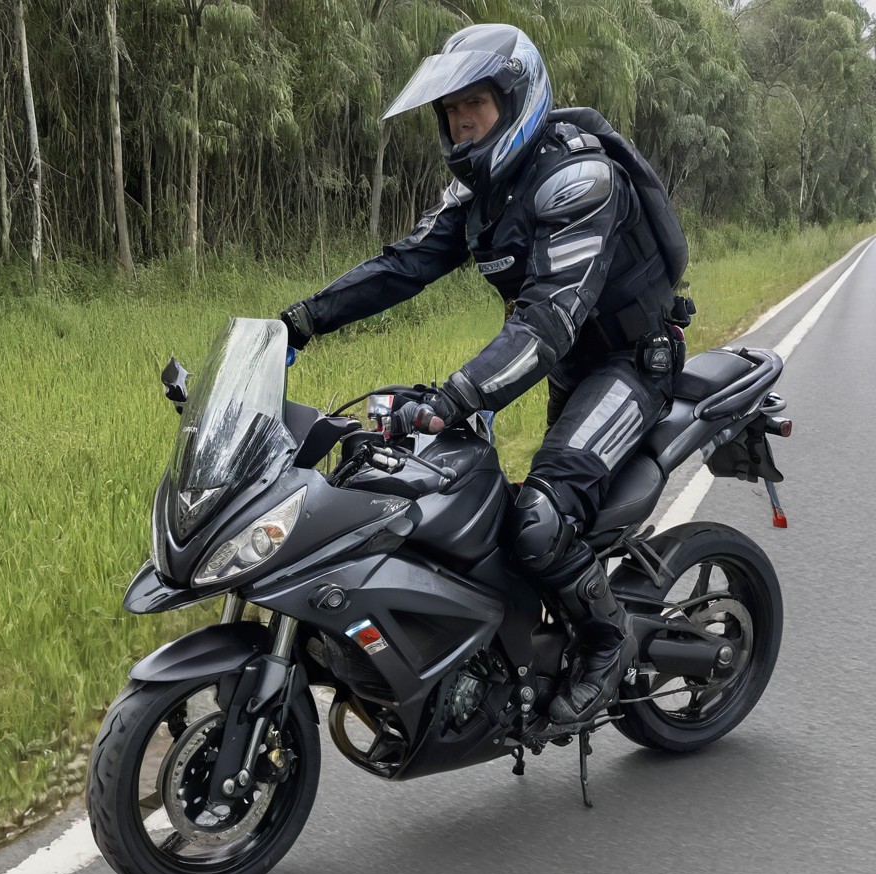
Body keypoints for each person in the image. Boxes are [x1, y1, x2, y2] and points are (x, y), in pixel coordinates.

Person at [279, 23, 687, 726]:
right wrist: (298, 323)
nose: (461, 119)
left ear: (517, 100)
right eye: (450, 108)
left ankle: (607, 640)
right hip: (571, 370)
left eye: (477, 102)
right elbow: (403, 264)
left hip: (629, 365)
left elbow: (547, 322)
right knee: (479, 518)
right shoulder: (481, 190)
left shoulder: (579, 180)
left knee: (538, 521)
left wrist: (457, 395)